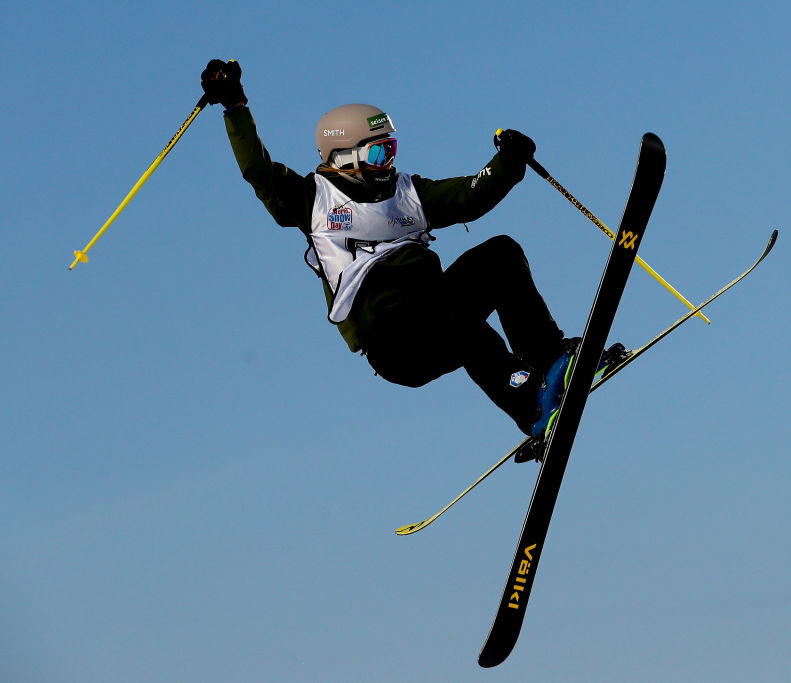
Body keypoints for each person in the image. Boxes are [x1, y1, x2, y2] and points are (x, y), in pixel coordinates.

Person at [200, 59, 629, 443]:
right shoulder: (313, 200)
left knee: (501, 255)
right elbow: (259, 172)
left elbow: (468, 195)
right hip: (394, 340)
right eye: (378, 151)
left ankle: (555, 366)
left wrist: (507, 163)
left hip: (434, 305)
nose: (388, 161)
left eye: (391, 148)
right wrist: (235, 106)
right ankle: (531, 406)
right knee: (462, 326)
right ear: (344, 156)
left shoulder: (407, 193)